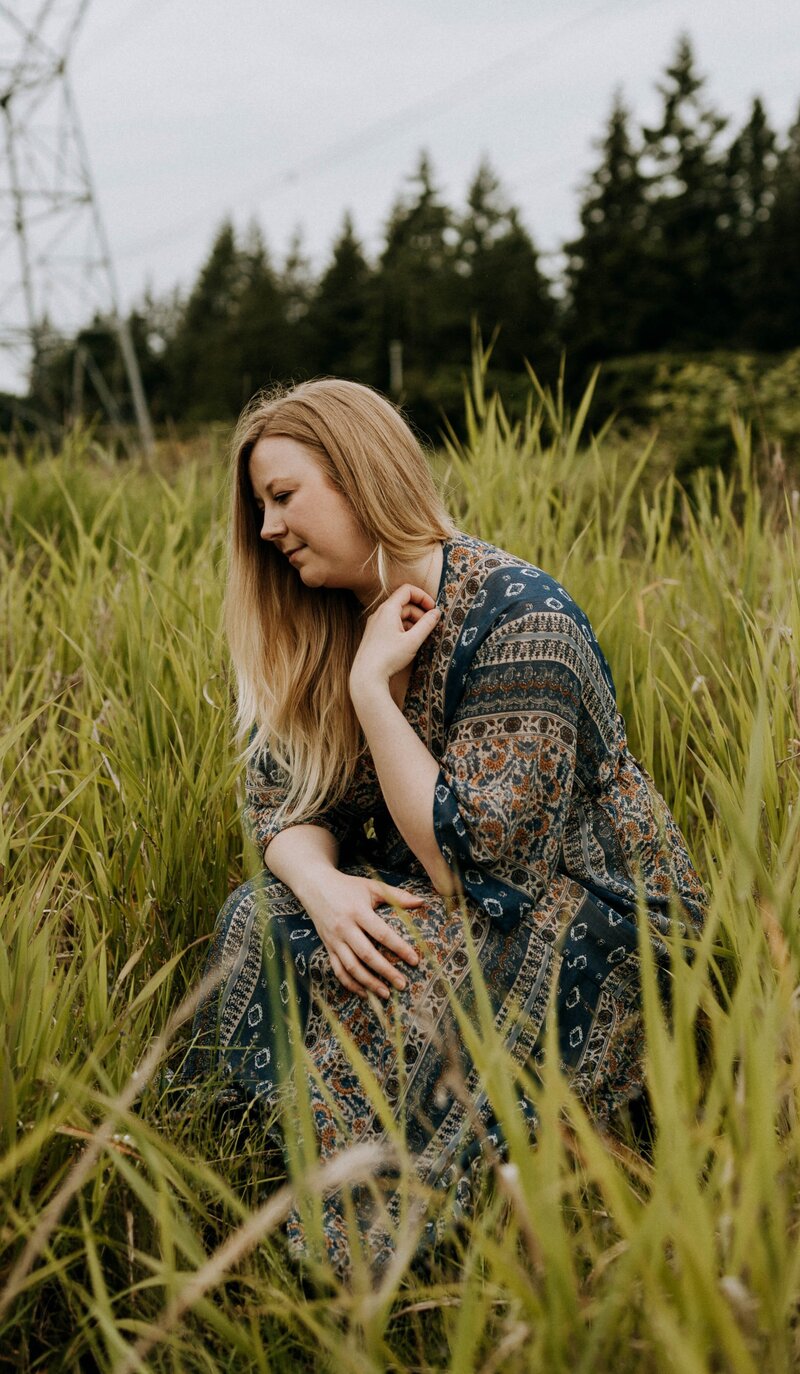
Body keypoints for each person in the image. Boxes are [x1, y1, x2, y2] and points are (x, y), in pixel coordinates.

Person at [187, 377, 706, 1277]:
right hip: (454, 887)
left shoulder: (521, 621)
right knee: (258, 921)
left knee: (405, 983)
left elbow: (474, 862)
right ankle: (235, 1182)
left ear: (360, 476)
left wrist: (370, 695)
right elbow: (281, 804)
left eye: (283, 497)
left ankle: (368, 1262)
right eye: (260, 506)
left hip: (595, 913)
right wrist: (326, 886)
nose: (268, 530)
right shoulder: (327, 616)